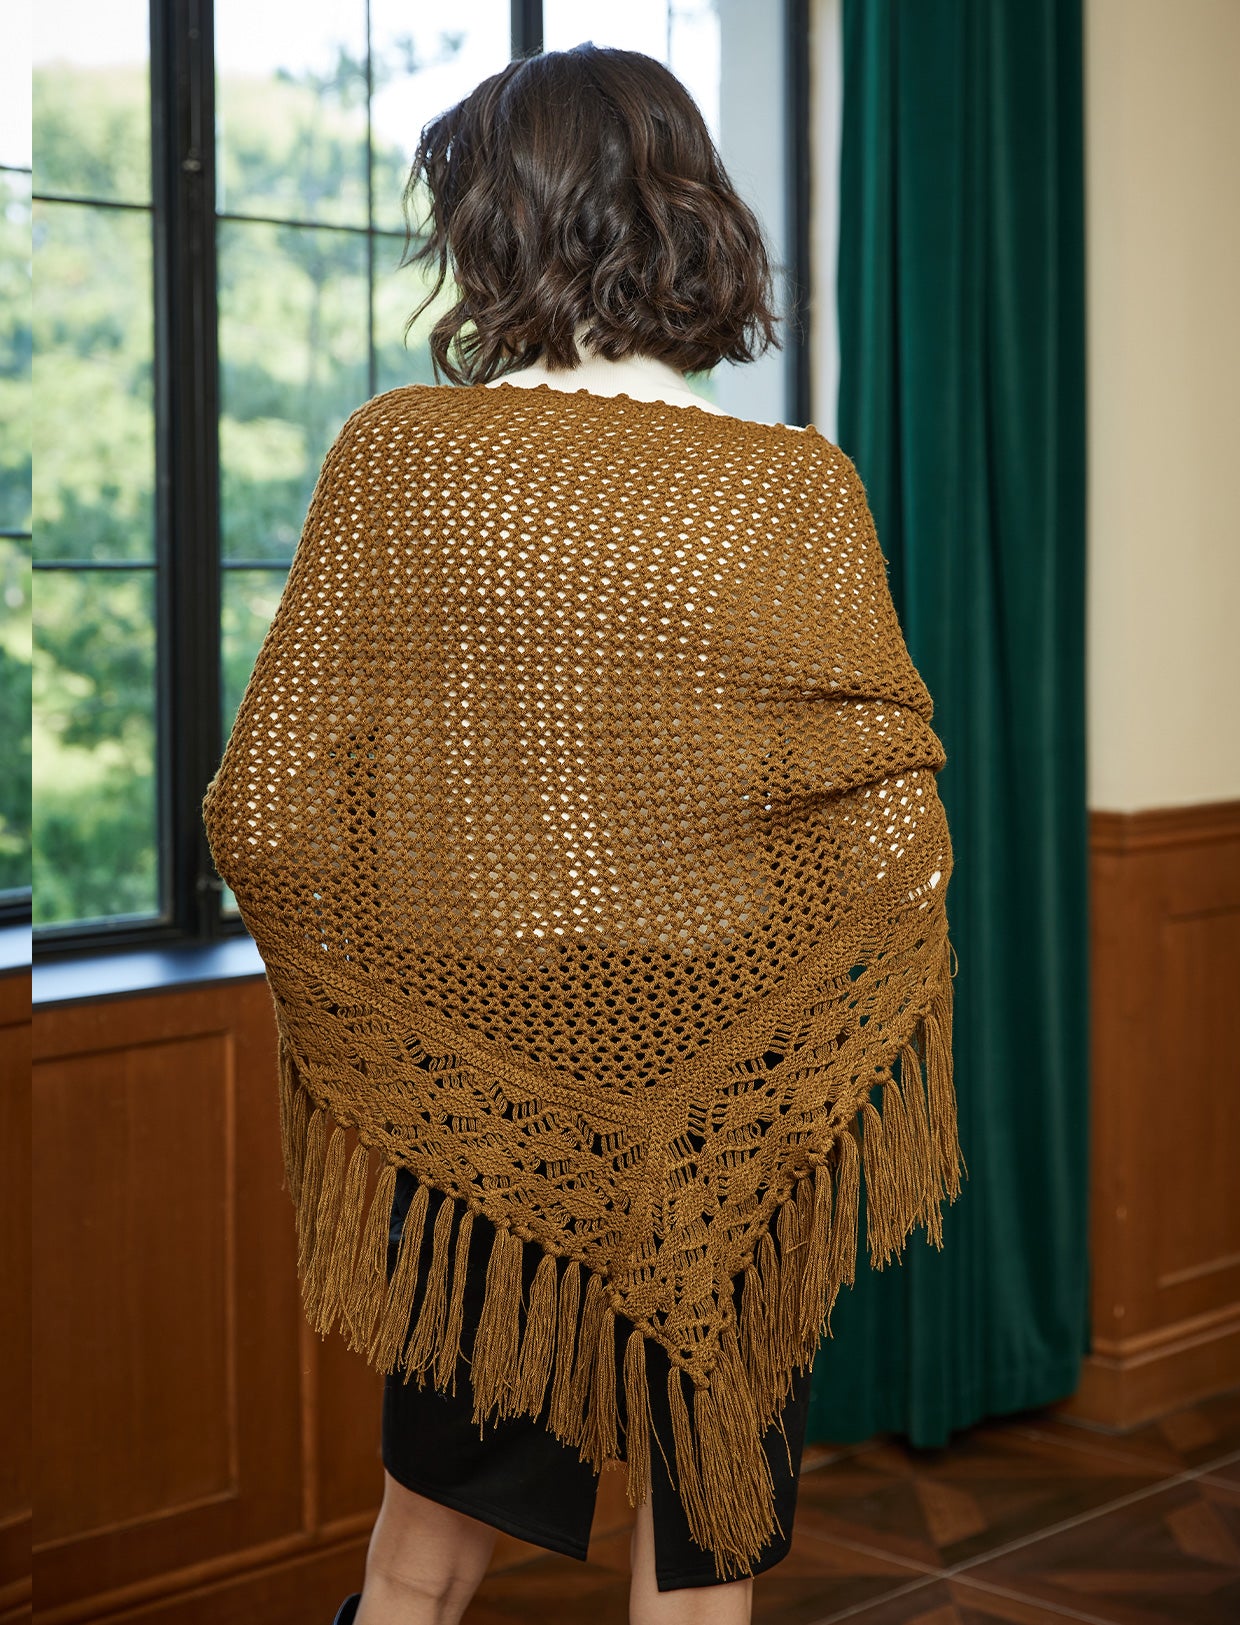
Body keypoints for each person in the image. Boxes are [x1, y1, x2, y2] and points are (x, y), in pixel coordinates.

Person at [202, 40, 960, 1625]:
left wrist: (406, 1034)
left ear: (500, 222)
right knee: (700, 1568)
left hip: (483, 1106)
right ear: (689, 214)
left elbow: (268, 817)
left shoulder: (405, 457)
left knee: (418, 1563)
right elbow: (898, 832)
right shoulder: (793, 486)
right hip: (735, 1090)